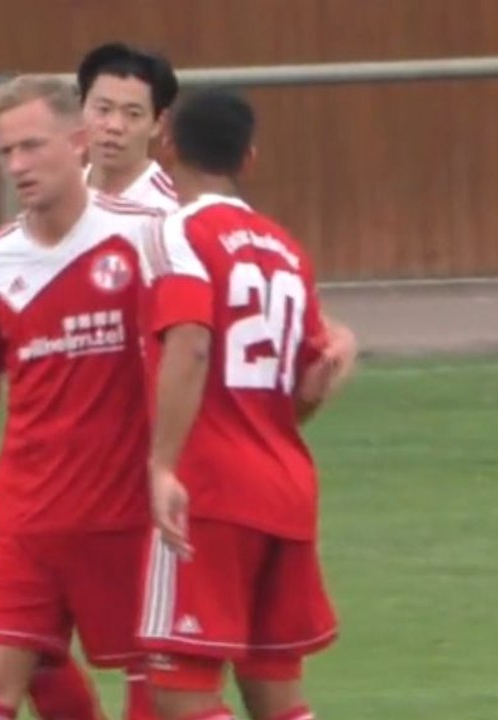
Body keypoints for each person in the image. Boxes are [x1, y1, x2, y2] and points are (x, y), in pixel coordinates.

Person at [0, 73, 168, 720]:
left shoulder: (148, 235)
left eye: (31, 146)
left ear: (79, 141)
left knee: (163, 691)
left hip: (127, 512)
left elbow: (204, 338)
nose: (17, 166)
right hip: (25, 517)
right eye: (5, 153)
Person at [137, 89, 356, 720]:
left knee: (178, 692)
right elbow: (305, 389)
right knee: (276, 693)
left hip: (209, 489)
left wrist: (162, 466)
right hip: (285, 489)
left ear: (168, 144)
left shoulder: (176, 233)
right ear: (249, 158)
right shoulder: (285, 248)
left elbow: (191, 343)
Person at [79, 42, 180, 213]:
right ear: (81, 107)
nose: (114, 126)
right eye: (103, 109)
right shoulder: (57, 196)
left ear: (158, 123)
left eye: (133, 114)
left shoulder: (169, 211)